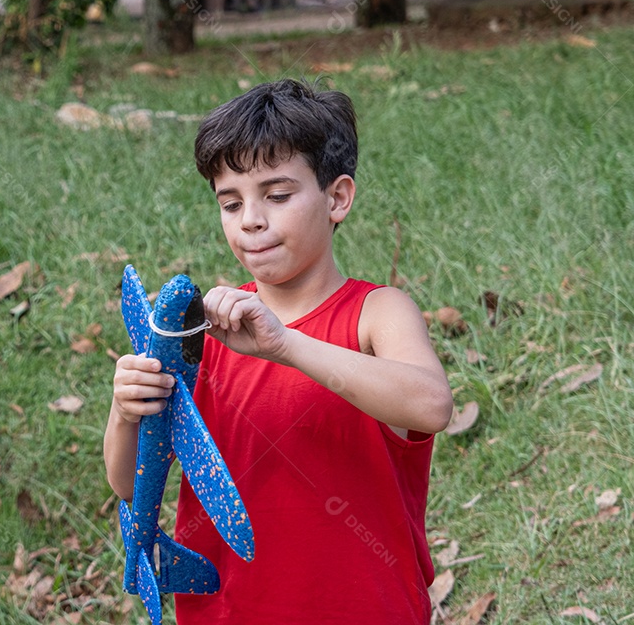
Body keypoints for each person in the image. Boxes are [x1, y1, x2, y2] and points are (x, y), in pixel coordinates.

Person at [103, 79, 453, 623]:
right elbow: (128, 483)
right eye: (230, 203)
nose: (251, 219)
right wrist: (127, 413)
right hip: (225, 611)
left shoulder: (376, 314)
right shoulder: (203, 335)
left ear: (337, 198)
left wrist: (285, 345)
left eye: (278, 195)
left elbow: (430, 405)